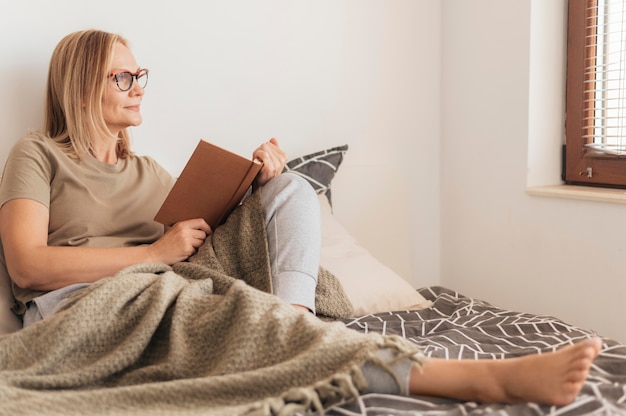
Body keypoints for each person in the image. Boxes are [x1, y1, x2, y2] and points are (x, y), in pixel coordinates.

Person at [0, 29, 601, 408]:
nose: (138, 87)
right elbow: (27, 265)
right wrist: (153, 256)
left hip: (168, 287)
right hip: (83, 308)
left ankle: (294, 319)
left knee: (287, 188)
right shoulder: (39, 154)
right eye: (122, 76)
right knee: (221, 310)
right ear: (82, 86)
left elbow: (213, 239)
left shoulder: (151, 171)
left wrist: (257, 184)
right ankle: (478, 382)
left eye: (141, 75)